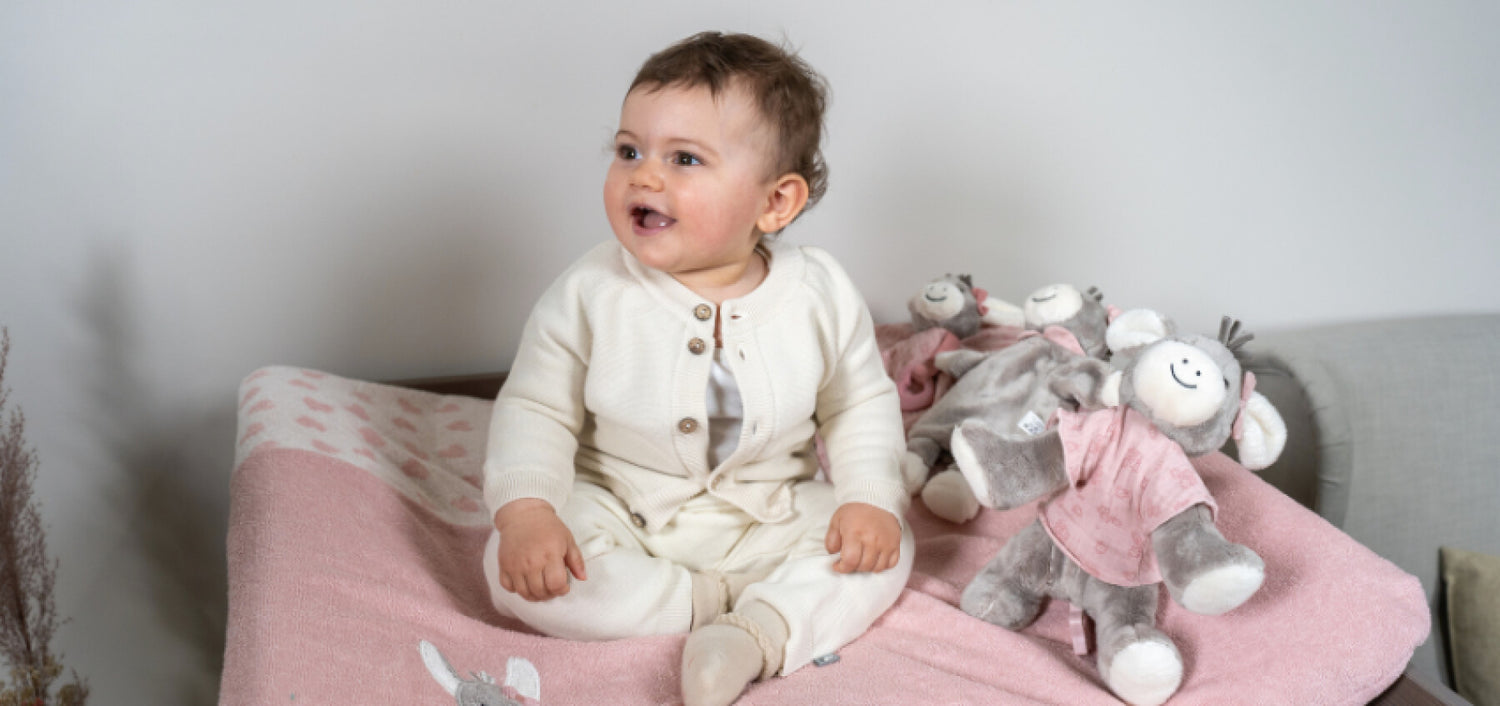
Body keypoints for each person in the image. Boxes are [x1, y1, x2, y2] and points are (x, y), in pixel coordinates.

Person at [481, 31, 912, 706]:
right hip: (620, 506)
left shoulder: (818, 293)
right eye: (629, 150)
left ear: (775, 202)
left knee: (885, 548)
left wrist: (868, 498)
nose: (644, 176)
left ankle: (756, 634)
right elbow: (536, 406)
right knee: (517, 571)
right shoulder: (592, 290)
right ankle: (702, 604)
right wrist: (528, 512)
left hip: (767, 513)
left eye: (684, 158)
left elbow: (858, 404)